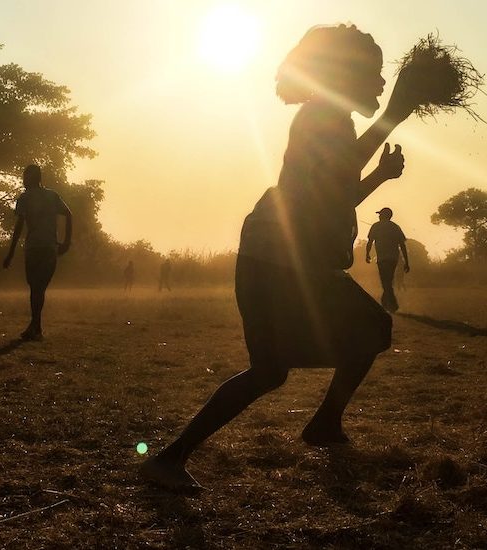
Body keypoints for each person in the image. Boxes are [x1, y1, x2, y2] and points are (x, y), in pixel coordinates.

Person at [141, 24, 417, 490]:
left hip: (280, 257)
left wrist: (380, 178)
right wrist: (393, 115)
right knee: (356, 336)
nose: (381, 82)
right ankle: (172, 458)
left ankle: (177, 457)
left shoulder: (330, 118)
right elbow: (332, 184)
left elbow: (334, 193)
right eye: (374, 73)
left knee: (280, 366)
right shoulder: (321, 115)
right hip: (279, 259)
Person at [3, 164, 72, 341]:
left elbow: (18, 228)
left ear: (33, 178)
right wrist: (66, 242)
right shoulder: (52, 196)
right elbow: (69, 214)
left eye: (25, 177)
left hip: (35, 248)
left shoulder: (25, 198)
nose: (23, 180)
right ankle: (36, 327)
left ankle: (35, 327)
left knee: (36, 287)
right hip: (47, 247)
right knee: (37, 287)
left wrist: (10, 253)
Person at [366, 207, 409, 312]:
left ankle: (392, 305)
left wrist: (367, 254)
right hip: (393, 258)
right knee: (387, 281)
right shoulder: (395, 227)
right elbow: (402, 245)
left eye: (380, 214)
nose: (379, 216)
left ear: (384, 215)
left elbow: (370, 241)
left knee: (386, 282)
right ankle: (386, 303)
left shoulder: (376, 226)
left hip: (382, 259)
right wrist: (406, 262)